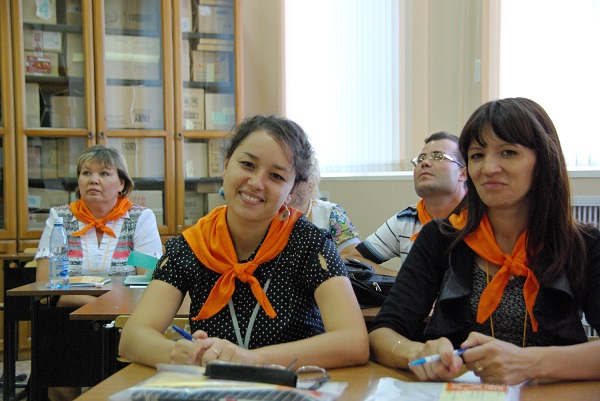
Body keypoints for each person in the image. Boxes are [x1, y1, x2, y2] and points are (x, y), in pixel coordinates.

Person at [369, 97, 600, 385]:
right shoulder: (439, 238)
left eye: (508, 152)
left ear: (543, 162)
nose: (488, 168)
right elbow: (382, 333)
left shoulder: (585, 245)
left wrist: (529, 363)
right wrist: (415, 352)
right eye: (477, 155)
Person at [119, 115, 369, 371]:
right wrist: (176, 353)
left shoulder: (311, 245)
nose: (256, 183)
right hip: (215, 387)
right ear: (226, 165)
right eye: (248, 164)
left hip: (292, 385)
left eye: (276, 176)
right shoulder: (193, 245)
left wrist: (255, 359)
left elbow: (354, 341)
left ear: (291, 191)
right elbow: (132, 337)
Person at [35, 145, 163, 401]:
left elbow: (148, 281)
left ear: (121, 184)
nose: (93, 180)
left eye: (104, 173)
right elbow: (44, 286)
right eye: (86, 173)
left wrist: (99, 306)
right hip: (67, 315)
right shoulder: (60, 218)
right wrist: (92, 304)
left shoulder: (140, 218)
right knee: (56, 331)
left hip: (123, 317)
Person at [344, 131, 467, 273]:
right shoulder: (406, 220)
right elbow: (353, 259)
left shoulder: (480, 219)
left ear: (463, 173)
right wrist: (402, 280)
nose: (424, 163)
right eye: (420, 159)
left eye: (437, 157)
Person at [289, 154, 360, 255]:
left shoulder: (332, 213)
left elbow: (353, 257)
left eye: (296, 178)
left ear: (311, 183)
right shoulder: (269, 212)